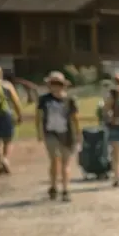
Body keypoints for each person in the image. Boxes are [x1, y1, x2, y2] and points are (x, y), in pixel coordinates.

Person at [36, 71, 79, 202]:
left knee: (66, 163)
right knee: (55, 160)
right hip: (51, 133)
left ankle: (65, 189)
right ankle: (54, 186)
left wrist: (78, 133)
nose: (55, 86)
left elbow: (74, 118)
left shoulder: (70, 100)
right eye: (52, 83)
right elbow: (39, 116)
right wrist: (39, 132)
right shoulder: (44, 99)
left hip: (67, 134)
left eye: (58, 84)